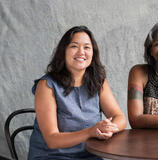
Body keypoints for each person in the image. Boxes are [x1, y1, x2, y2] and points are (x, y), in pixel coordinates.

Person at [28, 26, 126, 160]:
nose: (81, 52)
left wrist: (109, 128)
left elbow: (119, 117)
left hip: (90, 155)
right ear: (63, 51)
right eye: (74, 46)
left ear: (93, 53)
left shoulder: (98, 82)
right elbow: (52, 140)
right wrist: (91, 132)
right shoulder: (46, 85)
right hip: (52, 156)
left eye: (87, 47)